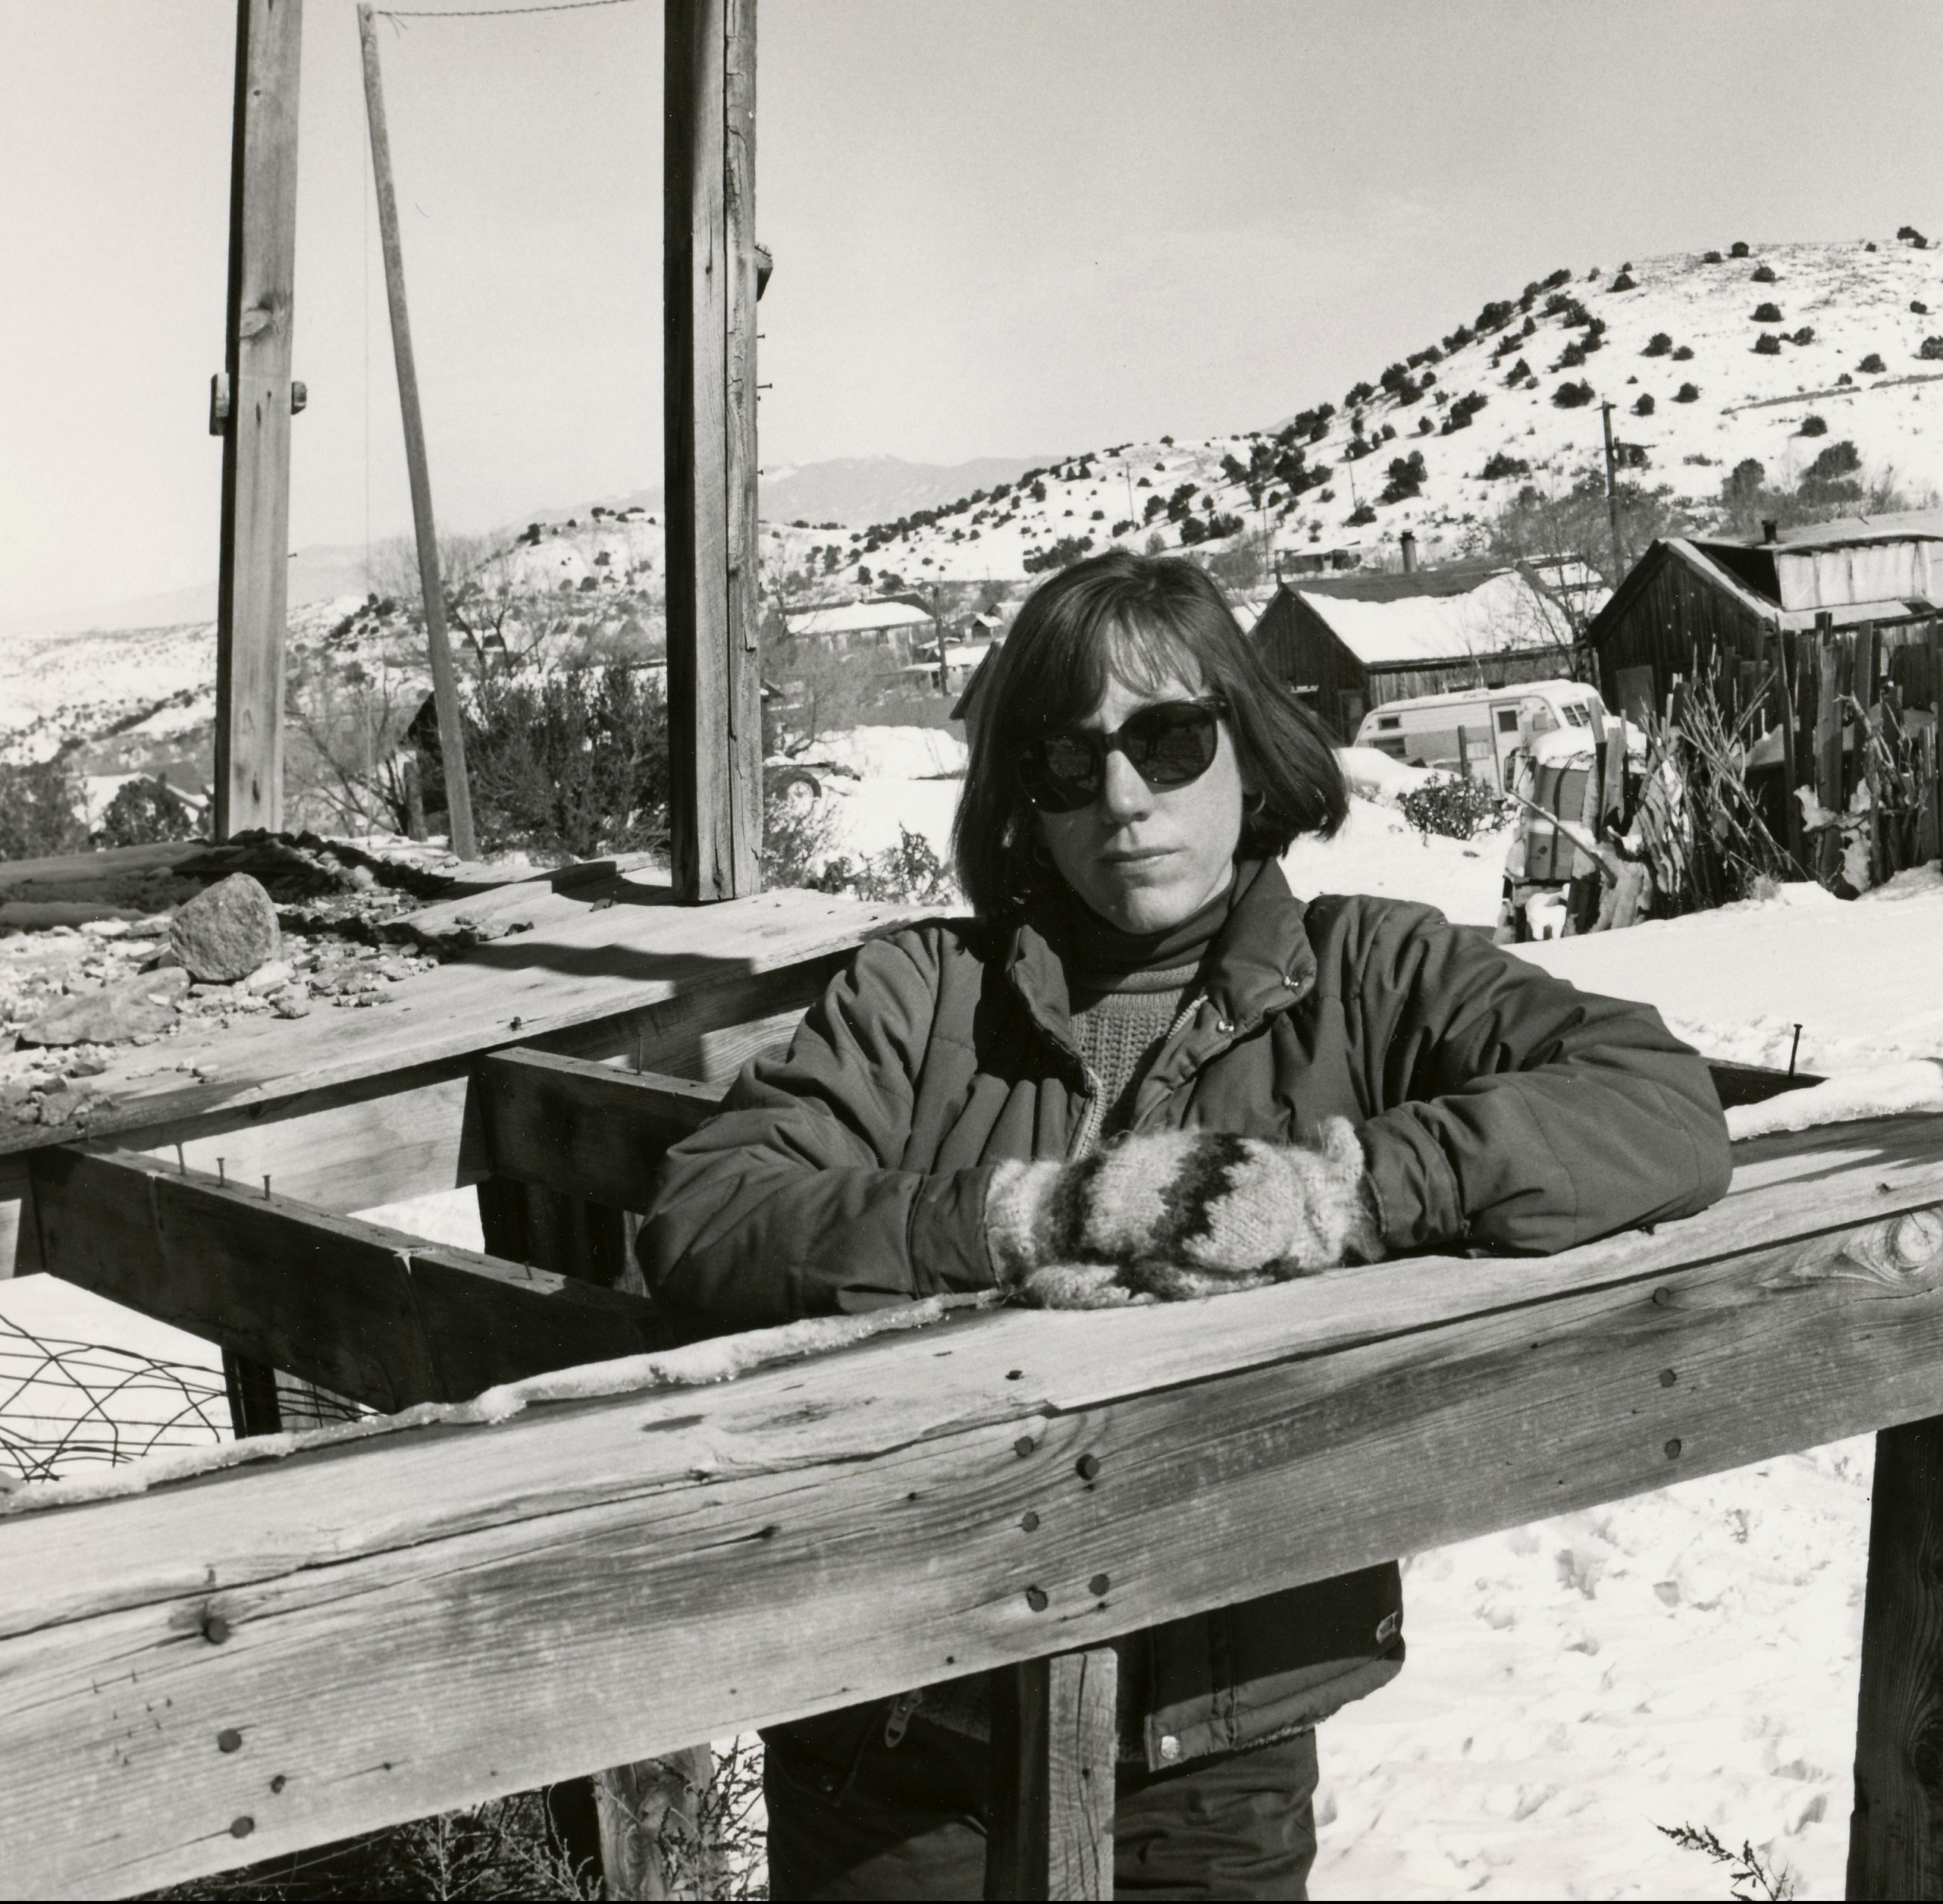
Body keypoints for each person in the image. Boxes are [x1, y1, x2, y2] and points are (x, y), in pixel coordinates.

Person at [637, 550, 1732, 1901]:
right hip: (897, 1717)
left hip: (1210, 1738)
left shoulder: (1372, 973)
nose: (1122, 795)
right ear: (1019, 803)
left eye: (1168, 739)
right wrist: (1025, 1218)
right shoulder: (921, 993)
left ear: (1252, 754)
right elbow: (709, 1215)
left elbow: (1655, 1103)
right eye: (1066, 758)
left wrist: (1336, 1195)